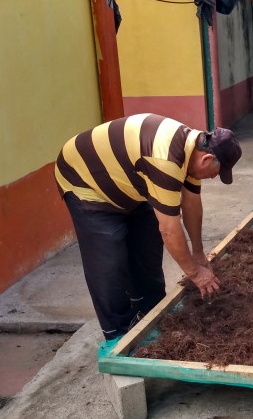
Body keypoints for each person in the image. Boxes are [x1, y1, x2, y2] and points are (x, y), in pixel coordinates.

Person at [55, 114, 242, 340]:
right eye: (216, 173)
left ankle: (150, 309)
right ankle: (119, 330)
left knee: (147, 244)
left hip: (130, 182)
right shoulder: (164, 159)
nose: (213, 178)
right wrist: (194, 273)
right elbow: (169, 229)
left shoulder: (190, 151)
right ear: (206, 159)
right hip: (85, 181)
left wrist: (198, 253)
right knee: (109, 257)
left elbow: (191, 203)